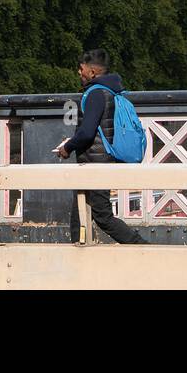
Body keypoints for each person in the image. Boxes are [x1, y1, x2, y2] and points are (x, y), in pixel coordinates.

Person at [56, 49, 146, 245]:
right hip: (99, 160)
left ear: (92, 72)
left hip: (94, 162)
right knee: (78, 215)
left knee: (101, 214)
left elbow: (87, 132)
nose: (79, 73)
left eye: (81, 69)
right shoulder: (111, 92)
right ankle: (79, 256)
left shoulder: (96, 93)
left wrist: (68, 147)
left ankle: (142, 247)